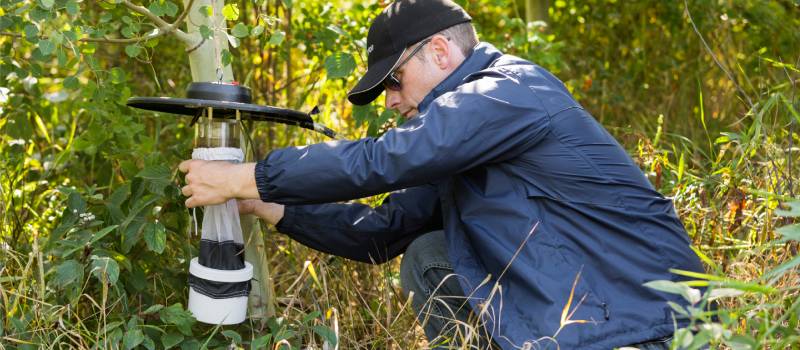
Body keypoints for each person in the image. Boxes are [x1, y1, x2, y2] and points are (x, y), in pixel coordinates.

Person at [179, 1, 706, 349]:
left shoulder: (506, 92)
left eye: (395, 79)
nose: (389, 100)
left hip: (644, 326)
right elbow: (383, 234)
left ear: (439, 50)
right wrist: (269, 205)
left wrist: (248, 176)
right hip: (585, 321)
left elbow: (384, 160)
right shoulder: (462, 141)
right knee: (428, 253)